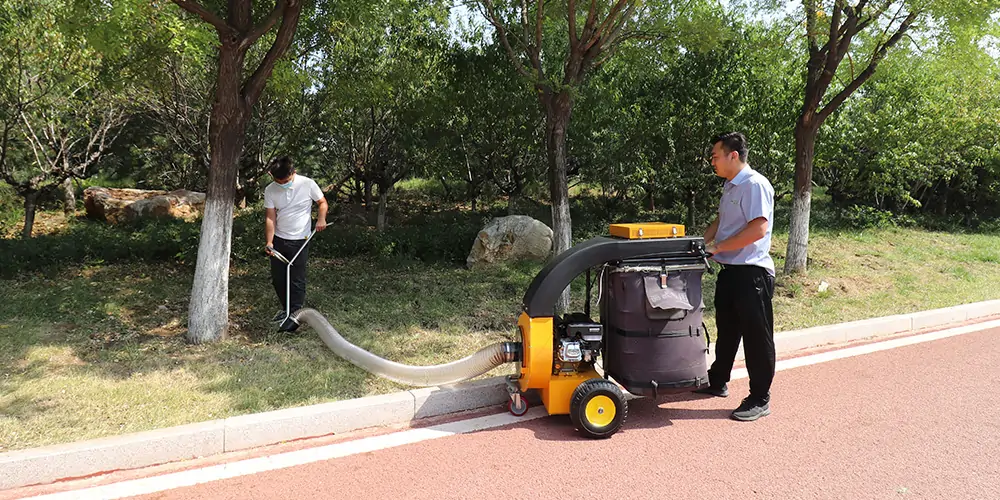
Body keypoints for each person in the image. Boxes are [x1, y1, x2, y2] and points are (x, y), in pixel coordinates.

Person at [694, 132, 776, 422]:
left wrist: (718, 247)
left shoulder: (754, 185)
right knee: (727, 331)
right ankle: (717, 381)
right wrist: (701, 245)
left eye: (715, 156)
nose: (712, 161)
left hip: (752, 273)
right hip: (730, 270)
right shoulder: (730, 186)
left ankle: (759, 397)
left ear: (733, 155)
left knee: (757, 338)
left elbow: (758, 229)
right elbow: (720, 221)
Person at [264, 156, 328, 332]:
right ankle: (287, 309)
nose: (281, 183)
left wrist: (321, 219)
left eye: (285, 180)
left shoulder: (307, 184)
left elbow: (322, 203)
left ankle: (295, 316)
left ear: (293, 173)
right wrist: (270, 242)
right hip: (279, 239)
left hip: (300, 239)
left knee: (296, 279)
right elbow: (270, 217)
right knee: (278, 279)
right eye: (278, 180)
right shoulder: (270, 190)